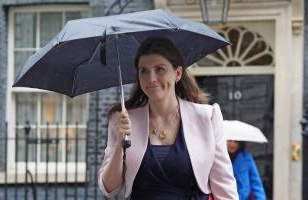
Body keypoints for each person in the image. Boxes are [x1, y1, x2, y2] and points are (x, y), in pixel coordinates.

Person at [98, 37, 238, 200]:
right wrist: (119, 147)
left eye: (160, 69)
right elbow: (109, 188)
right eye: (144, 71)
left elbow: (224, 186)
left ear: (177, 73)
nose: (151, 78)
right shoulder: (122, 119)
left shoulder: (207, 117)